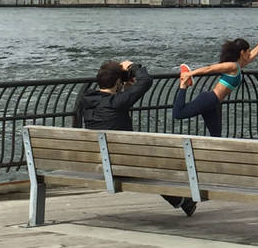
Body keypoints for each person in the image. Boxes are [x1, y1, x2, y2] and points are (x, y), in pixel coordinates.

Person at [79, 60, 196, 216]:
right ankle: (184, 200)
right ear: (117, 82)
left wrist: (124, 85)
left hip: (98, 161)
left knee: (148, 163)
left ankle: (182, 201)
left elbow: (111, 106)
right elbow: (146, 81)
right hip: (122, 164)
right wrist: (133, 67)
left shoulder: (87, 100)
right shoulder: (116, 102)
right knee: (156, 161)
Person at [173, 27, 258, 137]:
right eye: (248, 51)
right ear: (242, 52)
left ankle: (212, 153)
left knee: (216, 135)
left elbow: (253, 55)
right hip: (209, 99)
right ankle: (184, 85)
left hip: (213, 103)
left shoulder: (238, 66)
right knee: (178, 114)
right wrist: (190, 74)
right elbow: (210, 68)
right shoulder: (232, 66)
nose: (249, 53)